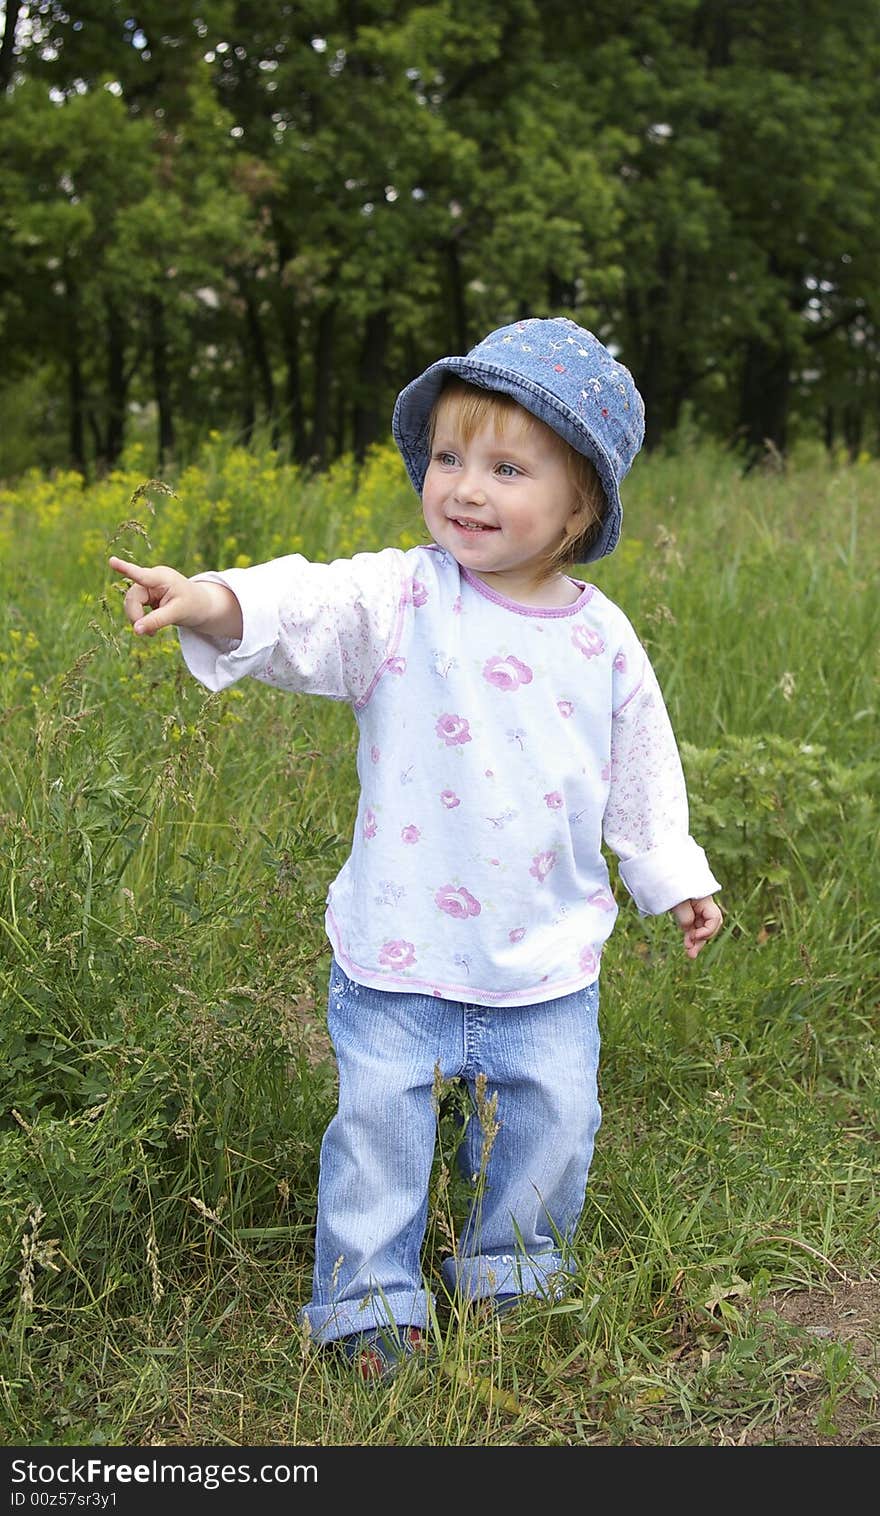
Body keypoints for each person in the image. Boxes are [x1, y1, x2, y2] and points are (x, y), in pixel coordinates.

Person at [109, 316, 723, 1381]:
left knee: (552, 1123)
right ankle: (367, 1303)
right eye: (447, 457)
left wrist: (670, 876)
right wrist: (210, 597)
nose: (465, 488)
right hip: (398, 944)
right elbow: (305, 602)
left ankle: (512, 1277)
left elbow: (640, 772)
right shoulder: (400, 597)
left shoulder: (599, 636)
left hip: (543, 953)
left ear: (580, 504)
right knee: (378, 1133)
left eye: (506, 466)